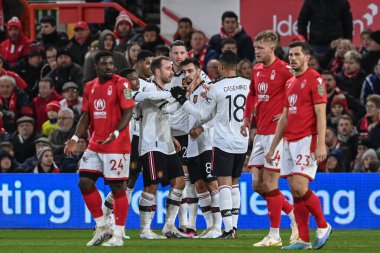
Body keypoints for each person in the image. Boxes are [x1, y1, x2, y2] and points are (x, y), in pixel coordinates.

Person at [171, 51, 250, 238]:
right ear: (236, 66)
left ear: (221, 67)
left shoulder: (216, 87)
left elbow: (202, 115)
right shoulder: (248, 85)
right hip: (242, 139)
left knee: (223, 185)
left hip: (222, 142)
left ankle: (228, 229)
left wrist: (182, 99)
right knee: (235, 185)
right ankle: (234, 227)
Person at [265, 41, 332, 250]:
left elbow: (321, 114)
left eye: (296, 55)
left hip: (307, 139)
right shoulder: (290, 82)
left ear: (307, 58)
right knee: (294, 191)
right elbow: (285, 116)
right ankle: (303, 239)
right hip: (289, 141)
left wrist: (321, 144)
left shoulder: (315, 79)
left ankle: (323, 225)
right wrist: (273, 145)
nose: (292, 58)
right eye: (290, 55)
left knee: (300, 186)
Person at [64, 50, 135, 246]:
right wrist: (75, 138)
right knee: (84, 182)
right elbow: (86, 116)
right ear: (96, 67)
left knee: (117, 188)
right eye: (104, 64)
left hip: (117, 145)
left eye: (111, 64)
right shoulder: (89, 87)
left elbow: (129, 111)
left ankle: (119, 235)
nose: (108, 67)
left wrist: (116, 132)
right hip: (96, 144)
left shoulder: (123, 84)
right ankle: (102, 227)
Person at [240, 30, 297, 247]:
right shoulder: (256, 70)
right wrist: (247, 118)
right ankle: (292, 217)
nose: (256, 51)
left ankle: (274, 235)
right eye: (255, 48)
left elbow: (301, 91)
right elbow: (252, 94)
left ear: (272, 49)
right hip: (260, 132)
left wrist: (288, 113)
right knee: (257, 185)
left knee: (270, 184)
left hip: (276, 133)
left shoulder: (285, 69)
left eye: (260, 48)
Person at [136, 56, 186, 239]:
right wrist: (174, 95)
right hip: (151, 144)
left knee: (180, 181)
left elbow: (167, 111)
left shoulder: (164, 90)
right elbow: (146, 99)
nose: (171, 72)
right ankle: (145, 230)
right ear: (157, 72)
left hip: (166, 143)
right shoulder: (148, 87)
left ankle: (169, 225)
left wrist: (180, 98)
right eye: (168, 68)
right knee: (151, 185)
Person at [178, 58, 222, 238]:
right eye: (184, 72)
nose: (187, 75)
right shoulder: (189, 92)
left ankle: (219, 227)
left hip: (208, 143)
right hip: (193, 145)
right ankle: (210, 226)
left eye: (190, 71)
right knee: (200, 185)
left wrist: (202, 128)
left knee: (212, 184)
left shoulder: (208, 89)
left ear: (198, 71)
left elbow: (218, 115)